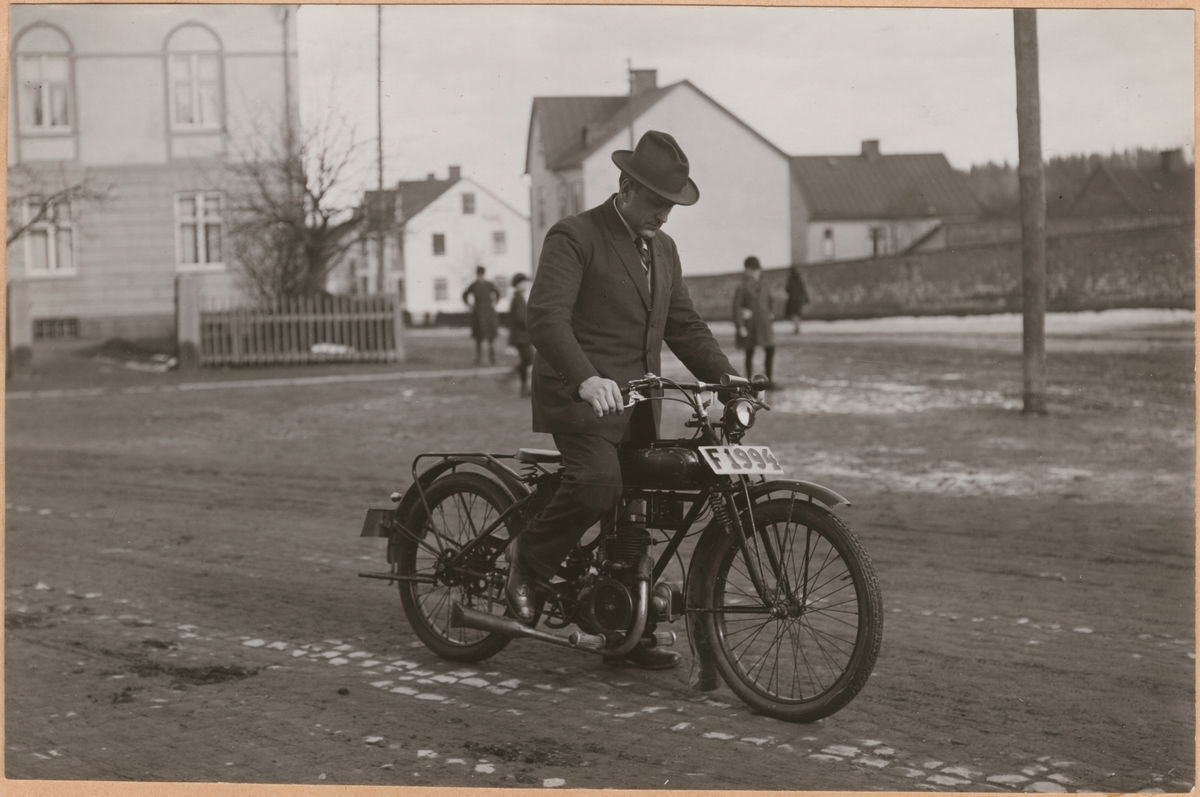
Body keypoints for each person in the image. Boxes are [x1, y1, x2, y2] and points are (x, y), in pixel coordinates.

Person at [509, 130, 738, 670]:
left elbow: (684, 325)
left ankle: (626, 627)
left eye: (672, 204)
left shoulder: (664, 249)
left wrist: (728, 378)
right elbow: (546, 318)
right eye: (657, 200)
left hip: (637, 404)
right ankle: (528, 562)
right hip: (581, 398)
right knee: (597, 482)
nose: (665, 213)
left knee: (639, 505)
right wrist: (586, 379)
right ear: (626, 186)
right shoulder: (575, 235)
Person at [732, 256, 776, 387]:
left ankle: (769, 380)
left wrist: (771, 313)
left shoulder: (765, 284)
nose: (755, 273)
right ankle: (749, 381)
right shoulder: (742, 287)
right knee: (749, 351)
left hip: (764, 323)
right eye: (752, 270)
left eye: (756, 270)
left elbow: (771, 300)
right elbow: (736, 307)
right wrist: (740, 325)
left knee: (770, 349)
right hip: (750, 325)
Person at [462, 266, 500, 365]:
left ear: (484, 274)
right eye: (479, 275)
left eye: (481, 274)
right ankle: (478, 359)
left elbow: (497, 293)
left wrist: (495, 303)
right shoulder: (474, 285)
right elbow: (465, 294)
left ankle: (493, 359)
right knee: (478, 337)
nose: (480, 276)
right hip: (478, 314)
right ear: (477, 275)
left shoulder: (489, 284)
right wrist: (469, 305)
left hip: (489, 313)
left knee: (491, 338)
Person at [508, 273, 533, 397]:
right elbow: (520, 317)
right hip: (520, 337)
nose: (525, 285)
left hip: (521, 336)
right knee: (529, 359)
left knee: (527, 360)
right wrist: (531, 324)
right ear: (517, 285)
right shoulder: (517, 299)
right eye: (523, 283)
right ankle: (523, 387)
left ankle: (524, 387)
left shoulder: (518, 297)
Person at [785, 264, 809, 334]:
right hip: (798, 300)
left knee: (793, 314)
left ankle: (796, 327)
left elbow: (787, 289)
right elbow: (803, 290)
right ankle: (797, 327)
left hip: (792, 300)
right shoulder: (799, 280)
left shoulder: (790, 280)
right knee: (797, 314)